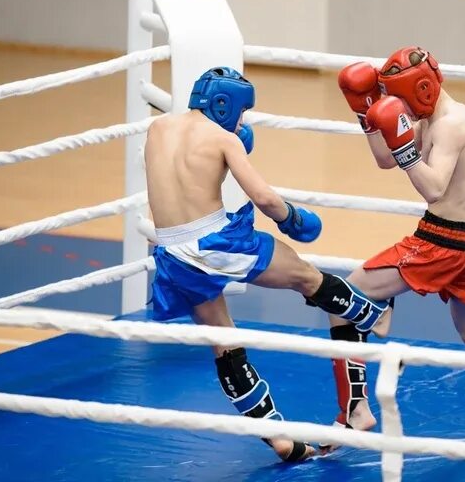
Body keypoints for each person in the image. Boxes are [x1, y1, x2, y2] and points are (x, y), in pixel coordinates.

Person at [145, 66, 391, 463]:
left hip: (172, 253)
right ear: (225, 105)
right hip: (217, 243)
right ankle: (371, 315)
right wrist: (292, 218)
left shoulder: (158, 128)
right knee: (305, 276)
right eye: (242, 112)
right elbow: (265, 199)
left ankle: (279, 438)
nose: (242, 121)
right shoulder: (224, 138)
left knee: (225, 345)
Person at [325, 47, 465, 447]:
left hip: (443, 242)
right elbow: (387, 160)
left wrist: (405, 147)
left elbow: (434, 188)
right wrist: (367, 115)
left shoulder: (452, 124)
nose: (399, 108)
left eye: (400, 99)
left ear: (421, 89)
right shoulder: (434, 114)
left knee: (343, 297)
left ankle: (356, 410)